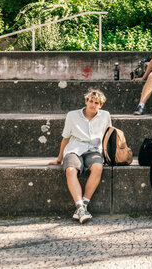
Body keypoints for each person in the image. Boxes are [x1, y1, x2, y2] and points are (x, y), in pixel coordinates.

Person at [50, 89, 112, 224]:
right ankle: (80, 207)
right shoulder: (72, 115)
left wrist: (107, 157)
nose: (93, 105)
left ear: (101, 105)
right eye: (91, 101)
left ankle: (84, 205)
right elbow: (65, 138)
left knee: (97, 167)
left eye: (96, 103)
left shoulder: (105, 115)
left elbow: (108, 136)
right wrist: (59, 158)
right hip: (74, 148)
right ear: (86, 101)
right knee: (71, 170)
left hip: (94, 150)